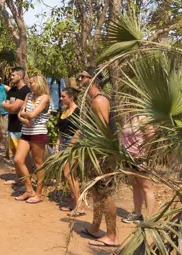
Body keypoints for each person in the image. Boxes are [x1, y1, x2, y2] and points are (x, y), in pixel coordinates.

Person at [77, 67, 119, 248]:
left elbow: (102, 133)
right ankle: (95, 227)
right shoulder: (93, 100)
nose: (79, 79)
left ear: (92, 79)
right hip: (96, 153)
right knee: (96, 191)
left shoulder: (99, 100)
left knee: (105, 193)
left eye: (82, 76)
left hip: (103, 154)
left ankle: (112, 235)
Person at [15, 74, 51, 204]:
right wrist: (25, 118)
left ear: (39, 83)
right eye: (29, 83)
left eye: (32, 83)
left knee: (38, 163)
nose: (30, 85)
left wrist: (26, 115)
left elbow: (32, 114)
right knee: (18, 159)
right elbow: (20, 114)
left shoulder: (45, 98)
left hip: (38, 133)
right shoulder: (28, 96)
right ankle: (29, 189)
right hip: (26, 132)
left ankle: (39, 193)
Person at [121, 113, 155, 224]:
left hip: (140, 158)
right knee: (135, 186)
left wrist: (145, 153)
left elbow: (152, 137)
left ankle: (149, 218)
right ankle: (137, 214)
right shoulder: (129, 118)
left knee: (146, 188)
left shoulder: (143, 118)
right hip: (128, 158)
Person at [57, 87, 84, 217]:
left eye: (63, 96)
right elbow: (60, 130)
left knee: (69, 174)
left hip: (74, 144)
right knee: (70, 175)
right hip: (63, 144)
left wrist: (70, 146)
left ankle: (80, 205)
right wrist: (57, 146)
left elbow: (79, 130)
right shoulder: (64, 111)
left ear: (71, 97)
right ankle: (74, 203)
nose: (61, 99)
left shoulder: (78, 111)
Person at [1, 67, 30, 168]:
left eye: (13, 75)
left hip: (21, 127)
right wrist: (9, 107)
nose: (11, 77)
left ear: (20, 76)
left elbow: (14, 107)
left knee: (23, 156)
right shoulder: (12, 90)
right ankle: (19, 178)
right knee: (14, 154)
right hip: (11, 126)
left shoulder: (26, 90)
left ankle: (27, 178)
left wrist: (7, 106)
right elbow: (9, 106)